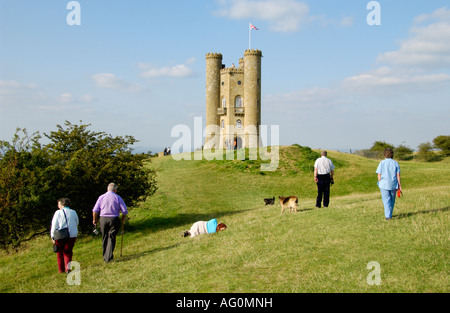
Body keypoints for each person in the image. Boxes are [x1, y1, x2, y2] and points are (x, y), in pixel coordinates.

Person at [92, 183, 128, 263]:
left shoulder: (101, 197)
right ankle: (109, 257)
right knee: (111, 237)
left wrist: (94, 220)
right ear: (115, 190)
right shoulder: (117, 197)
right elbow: (124, 211)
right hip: (114, 219)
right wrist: (123, 219)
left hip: (103, 219)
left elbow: (95, 210)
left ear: (107, 189)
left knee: (104, 236)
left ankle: (105, 256)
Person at [51, 198, 79, 274]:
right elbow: (77, 222)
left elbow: (54, 225)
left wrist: (52, 236)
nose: (58, 206)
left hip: (60, 235)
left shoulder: (58, 213)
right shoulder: (73, 212)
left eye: (59, 204)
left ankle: (61, 270)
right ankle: (68, 269)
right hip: (72, 234)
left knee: (59, 253)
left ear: (62, 204)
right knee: (68, 251)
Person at [376, 148, 402, 220]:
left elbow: (379, 175)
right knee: (392, 200)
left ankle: (388, 216)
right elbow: (398, 175)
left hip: (383, 184)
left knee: (386, 200)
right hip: (393, 184)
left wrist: (380, 182)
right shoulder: (396, 163)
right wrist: (399, 186)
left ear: (384, 155)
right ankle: (389, 214)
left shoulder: (382, 163)